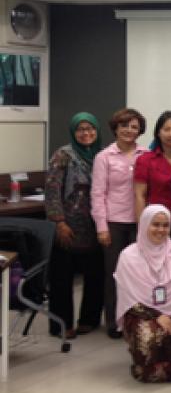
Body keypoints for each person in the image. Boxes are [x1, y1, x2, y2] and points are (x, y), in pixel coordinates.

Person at [114, 205, 171, 382]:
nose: (161, 230)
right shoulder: (128, 256)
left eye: (166, 225)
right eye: (155, 224)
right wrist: (156, 316)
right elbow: (129, 298)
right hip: (141, 314)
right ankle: (146, 367)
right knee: (152, 335)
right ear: (144, 225)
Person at [92, 108, 149, 339]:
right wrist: (101, 227)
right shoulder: (104, 157)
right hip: (114, 223)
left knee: (139, 273)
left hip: (140, 223)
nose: (129, 130)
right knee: (114, 273)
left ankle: (137, 319)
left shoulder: (146, 154)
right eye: (124, 125)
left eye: (134, 127)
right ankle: (114, 322)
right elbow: (97, 194)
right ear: (115, 128)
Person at [46, 112, 104, 339]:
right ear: (73, 131)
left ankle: (89, 320)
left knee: (95, 275)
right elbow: (52, 191)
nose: (86, 133)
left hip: (94, 224)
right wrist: (59, 222)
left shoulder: (102, 155)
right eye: (81, 129)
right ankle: (61, 324)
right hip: (68, 226)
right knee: (61, 278)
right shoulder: (63, 155)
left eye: (90, 129)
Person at [134, 111, 171, 221]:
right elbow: (140, 195)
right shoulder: (145, 159)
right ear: (158, 132)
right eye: (167, 129)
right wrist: (142, 225)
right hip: (156, 220)